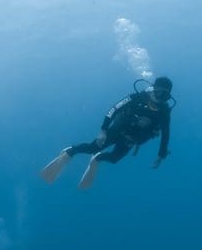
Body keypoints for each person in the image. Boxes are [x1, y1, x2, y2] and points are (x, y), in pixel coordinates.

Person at [40, 76, 174, 190]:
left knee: (114, 159)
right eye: (159, 92)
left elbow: (166, 132)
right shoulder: (136, 97)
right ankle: (69, 153)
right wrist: (103, 130)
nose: (161, 98)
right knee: (91, 148)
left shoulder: (164, 112)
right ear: (153, 88)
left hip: (131, 139)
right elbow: (113, 109)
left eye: (165, 95)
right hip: (117, 130)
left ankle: (97, 159)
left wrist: (161, 154)